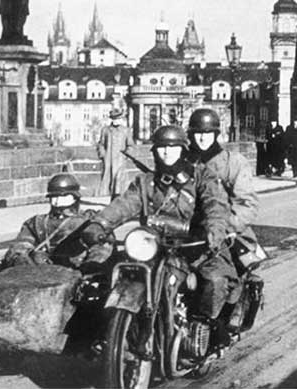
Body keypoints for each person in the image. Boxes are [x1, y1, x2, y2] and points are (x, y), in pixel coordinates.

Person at [82, 125, 236, 344]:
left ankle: (205, 327)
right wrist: (100, 223)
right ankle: (104, 336)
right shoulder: (146, 182)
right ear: (154, 151)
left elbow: (216, 206)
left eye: (172, 147)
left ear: (183, 150)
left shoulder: (202, 176)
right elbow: (125, 204)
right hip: (153, 245)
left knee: (214, 279)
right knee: (106, 273)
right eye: (161, 147)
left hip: (195, 246)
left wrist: (213, 232)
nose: (166, 152)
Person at [187, 108, 260, 249]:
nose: (202, 138)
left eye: (207, 133)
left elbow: (246, 204)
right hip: (186, 231)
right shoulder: (183, 162)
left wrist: (223, 228)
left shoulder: (233, 162)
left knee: (225, 268)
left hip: (226, 231)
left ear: (215, 134)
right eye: (198, 133)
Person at [1, 173, 99, 268]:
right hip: (40, 273)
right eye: (54, 197)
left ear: (74, 198)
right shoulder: (36, 222)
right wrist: (26, 258)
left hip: (76, 271)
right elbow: (21, 244)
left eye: (63, 197)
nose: (57, 201)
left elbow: (100, 249)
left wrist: (89, 265)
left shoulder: (88, 222)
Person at [96, 108, 134, 200]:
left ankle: (117, 198)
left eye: (118, 118)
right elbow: (101, 144)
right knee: (108, 180)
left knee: (119, 180)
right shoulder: (105, 130)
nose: (116, 121)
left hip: (120, 160)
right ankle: (110, 197)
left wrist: (126, 155)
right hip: (108, 159)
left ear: (121, 119)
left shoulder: (126, 131)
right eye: (113, 119)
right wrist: (103, 154)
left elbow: (130, 145)